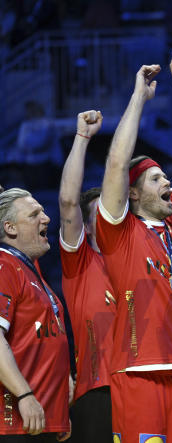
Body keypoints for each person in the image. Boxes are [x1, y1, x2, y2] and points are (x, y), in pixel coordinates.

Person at [96, 48, 172, 443]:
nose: (168, 184)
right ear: (135, 194)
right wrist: (138, 98)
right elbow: (115, 164)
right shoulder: (119, 232)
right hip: (140, 373)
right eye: (157, 179)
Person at [58, 110, 115, 442]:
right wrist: (82, 138)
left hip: (144, 387)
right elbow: (67, 202)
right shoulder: (80, 262)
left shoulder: (142, 259)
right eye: (99, 215)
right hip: (97, 392)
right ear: (89, 226)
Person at [0, 188, 70, 441]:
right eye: (34, 214)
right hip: (14, 421)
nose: (47, 218)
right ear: (10, 228)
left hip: (42, 418)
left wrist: (58, 408)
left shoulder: (29, 270)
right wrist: (24, 395)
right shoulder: (4, 266)